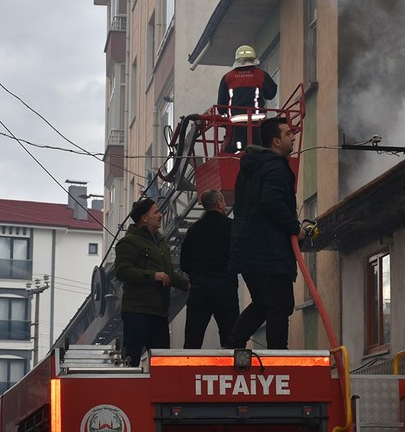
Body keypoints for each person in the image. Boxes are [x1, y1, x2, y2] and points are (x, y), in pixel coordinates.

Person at [222, 116, 306, 349]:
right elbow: (271, 201)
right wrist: (295, 228)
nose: (293, 136)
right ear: (276, 141)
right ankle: (278, 355)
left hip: (247, 249)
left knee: (262, 302)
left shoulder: (250, 169)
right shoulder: (276, 167)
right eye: (288, 133)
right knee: (279, 305)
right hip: (268, 251)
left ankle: (232, 344)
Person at [115, 198, 190, 366]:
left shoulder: (161, 242)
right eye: (156, 212)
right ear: (144, 218)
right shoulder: (128, 242)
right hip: (137, 312)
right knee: (131, 360)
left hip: (160, 313)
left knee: (162, 364)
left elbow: (169, 273)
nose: (161, 215)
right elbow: (122, 271)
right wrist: (153, 275)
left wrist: (188, 284)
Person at [181, 189, 239, 348]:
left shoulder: (194, 230)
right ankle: (233, 372)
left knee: (193, 339)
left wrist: (197, 275)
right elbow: (240, 256)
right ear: (219, 203)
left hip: (199, 288)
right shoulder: (231, 227)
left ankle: (189, 370)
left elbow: (184, 263)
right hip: (225, 288)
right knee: (231, 340)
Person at [217, 44, 278, 153]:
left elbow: (221, 106)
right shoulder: (261, 75)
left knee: (236, 151)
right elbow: (271, 93)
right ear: (253, 60)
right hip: (256, 123)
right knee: (259, 150)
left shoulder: (228, 77)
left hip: (235, 124)